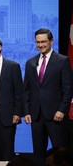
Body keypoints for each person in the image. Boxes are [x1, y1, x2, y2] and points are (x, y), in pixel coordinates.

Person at [23, 28, 72, 166]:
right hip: (36, 116)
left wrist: (62, 110)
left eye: (43, 41)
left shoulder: (62, 61)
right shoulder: (30, 63)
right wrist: (27, 111)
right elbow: (26, 90)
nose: (40, 45)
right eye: (38, 42)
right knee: (38, 154)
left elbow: (68, 89)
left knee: (60, 155)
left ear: (51, 41)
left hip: (56, 115)